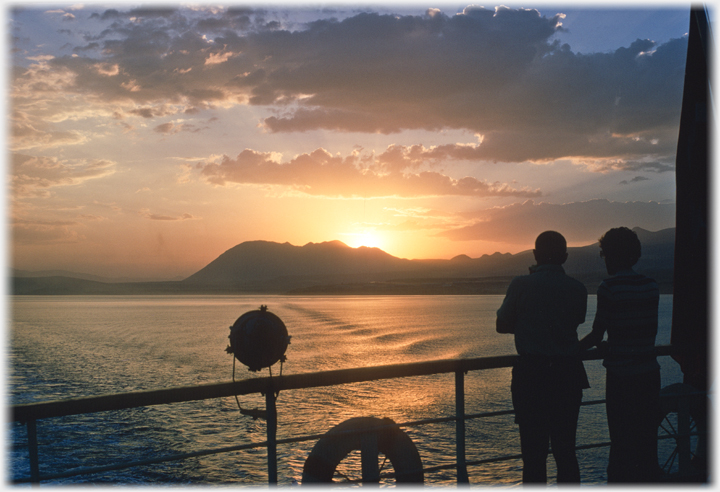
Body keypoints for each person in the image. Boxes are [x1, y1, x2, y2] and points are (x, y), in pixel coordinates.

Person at [496, 231, 589, 484]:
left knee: (533, 456)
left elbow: (501, 325)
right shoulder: (578, 289)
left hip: (532, 377)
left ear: (535, 255)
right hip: (567, 376)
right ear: (565, 257)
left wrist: (528, 323)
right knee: (566, 452)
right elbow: (574, 322)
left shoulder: (520, 285)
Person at [579, 227, 661, 482]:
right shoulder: (651, 286)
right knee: (647, 442)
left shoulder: (608, 288)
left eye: (604, 254)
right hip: (649, 374)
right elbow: (644, 332)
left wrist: (570, 350)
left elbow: (596, 334)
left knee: (621, 442)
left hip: (621, 377)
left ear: (611, 255)